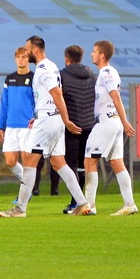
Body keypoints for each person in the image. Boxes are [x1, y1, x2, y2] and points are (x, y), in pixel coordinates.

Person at [0, 36, 91, 217]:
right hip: (50, 119)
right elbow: (54, 94)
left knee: (29, 162)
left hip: (48, 121)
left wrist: (66, 119)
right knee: (59, 163)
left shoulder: (42, 69)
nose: (25, 52)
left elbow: (57, 94)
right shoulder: (52, 66)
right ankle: (82, 203)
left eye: (27, 49)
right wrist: (39, 115)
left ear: (35, 50)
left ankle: (20, 209)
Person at [81, 40, 138, 216]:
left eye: (94, 51)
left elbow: (115, 97)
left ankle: (89, 205)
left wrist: (125, 120)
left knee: (90, 160)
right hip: (113, 122)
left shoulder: (106, 73)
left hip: (107, 122)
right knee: (116, 162)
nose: (92, 54)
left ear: (102, 55)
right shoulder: (110, 72)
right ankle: (129, 204)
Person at [59, 45, 96, 214]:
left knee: (70, 165)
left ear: (67, 59)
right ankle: (83, 201)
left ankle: (76, 202)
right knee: (83, 164)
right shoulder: (92, 76)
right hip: (89, 125)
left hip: (71, 125)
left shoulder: (62, 75)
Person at [0, 47, 35, 185]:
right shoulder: (9, 79)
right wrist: (0, 126)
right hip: (11, 125)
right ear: (14, 59)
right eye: (18, 56)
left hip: (27, 126)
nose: (21, 59)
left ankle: (26, 190)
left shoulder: (33, 78)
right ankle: (28, 185)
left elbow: (37, 102)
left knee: (27, 160)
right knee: (10, 161)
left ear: (28, 59)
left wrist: (36, 118)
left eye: (24, 57)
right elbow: (4, 104)